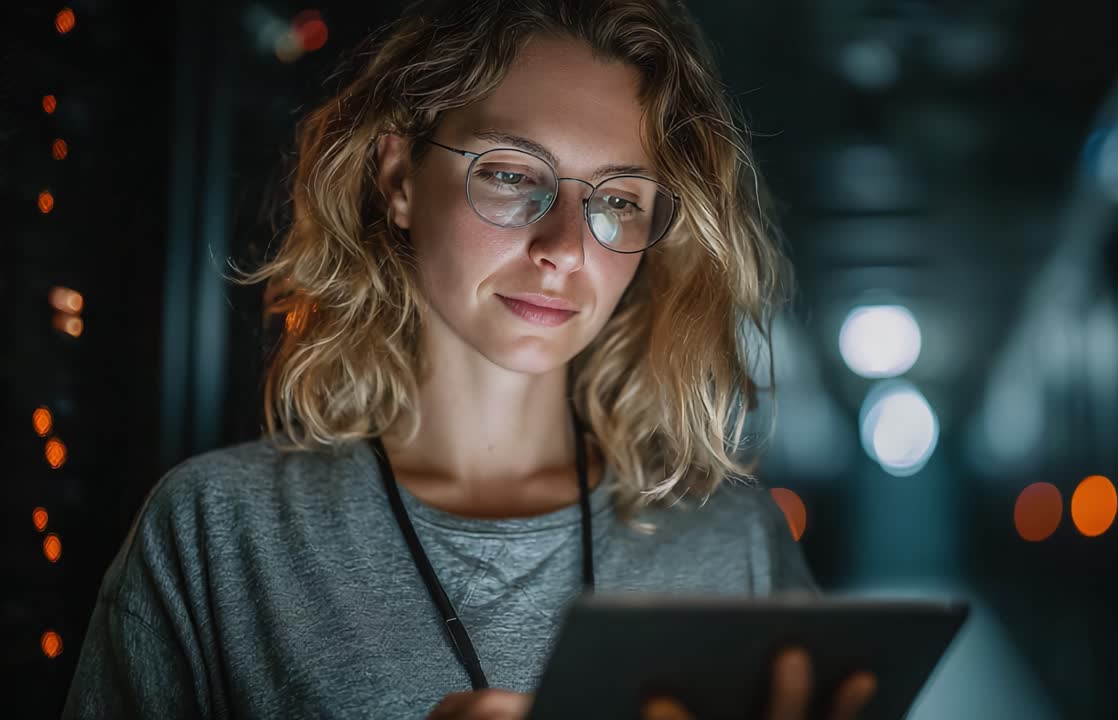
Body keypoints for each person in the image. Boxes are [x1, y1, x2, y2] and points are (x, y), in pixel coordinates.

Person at [63, 0, 876, 717]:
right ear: (398, 179)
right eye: (513, 175)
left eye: (619, 200)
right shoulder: (221, 533)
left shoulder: (730, 546)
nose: (564, 247)